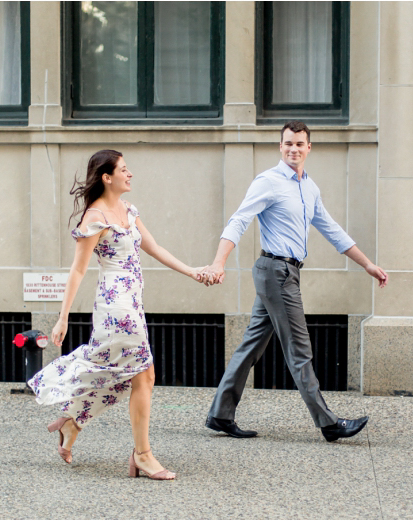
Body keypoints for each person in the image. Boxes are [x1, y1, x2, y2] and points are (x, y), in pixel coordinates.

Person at [201, 121, 388, 442]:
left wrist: (367, 264)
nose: (293, 149)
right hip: (275, 272)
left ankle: (220, 413)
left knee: (250, 346)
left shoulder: (308, 188)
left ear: (308, 148)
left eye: (300, 144)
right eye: (288, 143)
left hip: (285, 272)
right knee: (299, 349)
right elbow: (239, 220)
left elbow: (331, 229)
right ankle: (329, 423)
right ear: (280, 146)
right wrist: (219, 262)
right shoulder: (268, 182)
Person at [28, 149, 207, 480]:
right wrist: (63, 317)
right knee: (144, 376)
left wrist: (193, 272)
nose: (130, 174)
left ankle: (73, 422)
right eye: (124, 169)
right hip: (116, 309)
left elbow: (155, 248)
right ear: (107, 177)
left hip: (134, 303)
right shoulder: (95, 219)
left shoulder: (128, 210)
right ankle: (142, 455)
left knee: (123, 375)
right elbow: (78, 270)